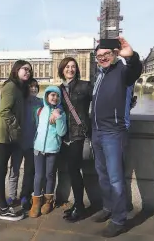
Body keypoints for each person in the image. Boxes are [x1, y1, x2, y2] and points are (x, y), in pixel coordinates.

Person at [90, 37, 142, 238]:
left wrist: (132, 57)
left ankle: (119, 219)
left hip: (113, 132)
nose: (102, 58)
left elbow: (134, 71)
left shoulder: (122, 71)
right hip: (97, 131)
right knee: (102, 175)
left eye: (106, 54)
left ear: (114, 54)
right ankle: (108, 207)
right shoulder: (99, 75)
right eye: (98, 56)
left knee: (115, 178)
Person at [0, 60, 33, 221]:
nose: (27, 72)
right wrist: (17, 127)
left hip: (9, 136)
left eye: (29, 70)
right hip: (2, 135)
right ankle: (3, 208)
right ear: (16, 70)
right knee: (1, 169)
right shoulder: (10, 86)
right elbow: (4, 111)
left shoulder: (20, 88)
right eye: (24, 69)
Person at [51, 57, 93, 222]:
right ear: (62, 70)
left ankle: (80, 207)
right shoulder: (59, 89)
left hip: (79, 135)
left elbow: (98, 103)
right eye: (67, 67)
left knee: (75, 171)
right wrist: (53, 111)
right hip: (65, 136)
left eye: (73, 67)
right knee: (72, 170)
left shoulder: (85, 86)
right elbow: (50, 104)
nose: (70, 69)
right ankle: (77, 205)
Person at [29, 86, 67, 218]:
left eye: (57, 96)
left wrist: (58, 117)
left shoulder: (61, 113)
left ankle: (48, 201)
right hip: (38, 148)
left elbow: (62, 132)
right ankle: (36, 202)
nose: (54, 98)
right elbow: (36, 128)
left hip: (53, 149)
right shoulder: (40, 111)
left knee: (50, 175)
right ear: (46, 96)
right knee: (38, 176)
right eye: (52, 95)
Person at [7, 78, 43, 209]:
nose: (33, 89)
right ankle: (11, 195)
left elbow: (54, 107)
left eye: (35, 87)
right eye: (31, 87)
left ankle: (24, 196)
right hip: (18, 143)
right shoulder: (21, 103)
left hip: (33, 143)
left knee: (29, 172)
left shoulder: (41, 103)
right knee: (14, 170)